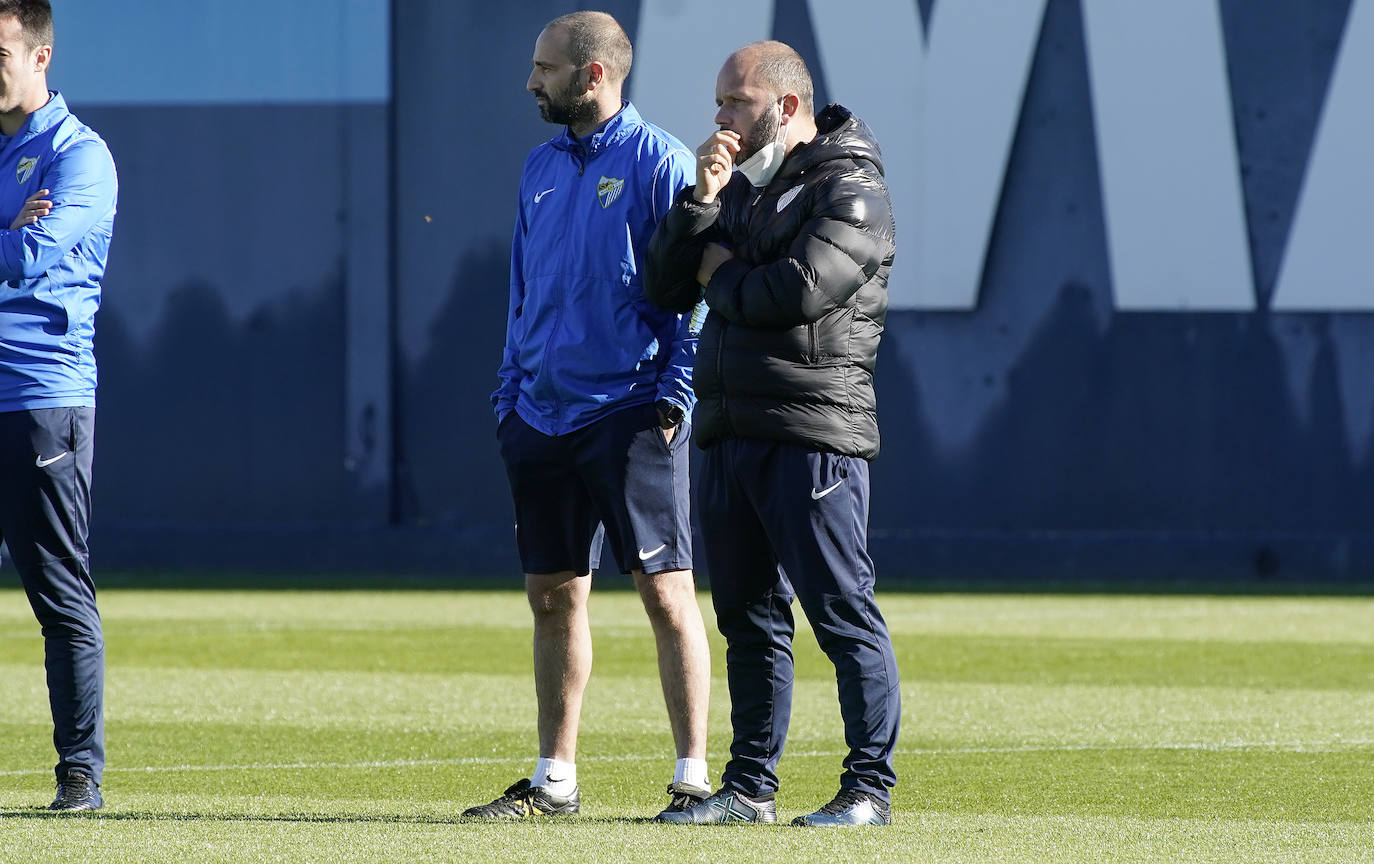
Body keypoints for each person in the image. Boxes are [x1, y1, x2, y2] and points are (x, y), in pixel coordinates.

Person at [644, 41, 901, 827]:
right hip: (729, 426)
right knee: (749, 619)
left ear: (786, 107)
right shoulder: (744, 189)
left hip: (811, 429)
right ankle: (750, 788)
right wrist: (698, 202)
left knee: (840, 611)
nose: (719, 118)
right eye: (719, 102)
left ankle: (868, 790)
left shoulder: (850, 186)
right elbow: (661, 283)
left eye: (735, 103)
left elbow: (790, 295)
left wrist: (715, 273)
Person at [464, 11, 713, 822]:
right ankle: (555, 781)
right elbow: (522, 292)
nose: (531, 82)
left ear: (592, 75)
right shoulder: (539, 164)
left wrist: (675, 393)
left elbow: (694, 290)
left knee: (666, 592)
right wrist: (509, 393)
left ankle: (693, 780)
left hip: (630, 409)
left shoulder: (660, 160)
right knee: (552, 596)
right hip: (539, 414)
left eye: (544, 69)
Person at [0, 0, 118, 813]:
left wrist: (15, 231)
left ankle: (80, 773)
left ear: (42, 57)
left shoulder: (80, 156)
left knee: (58, 592)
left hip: (42, 397)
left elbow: (28, 252)